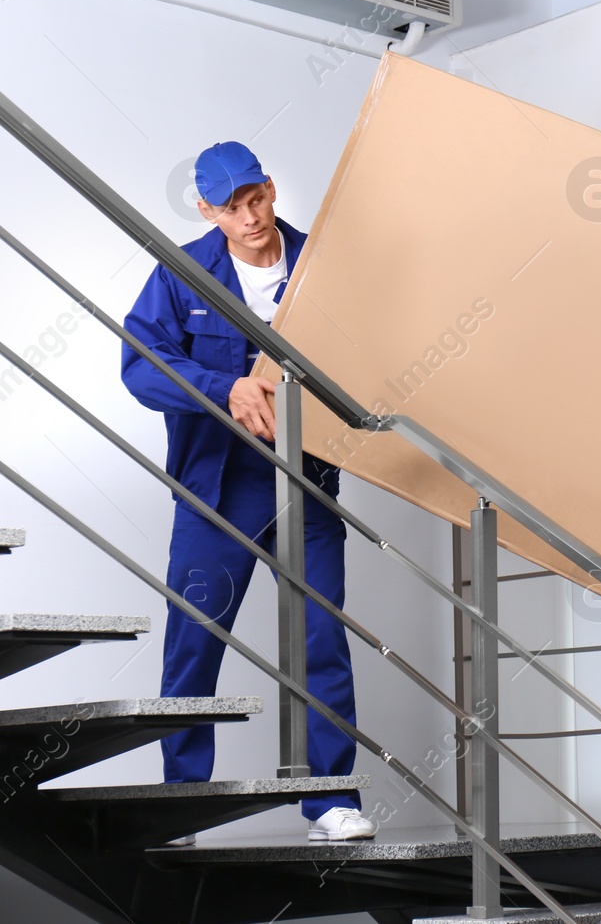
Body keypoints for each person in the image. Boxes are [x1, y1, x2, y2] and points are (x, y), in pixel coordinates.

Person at [121, 141, 375, 842]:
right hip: (216, 486)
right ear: (208, 209)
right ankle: (183, 804)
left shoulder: (318, 265)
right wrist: (222, 388)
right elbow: (140, 367)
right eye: (230, 208)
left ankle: (329, 799)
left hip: (305, 481)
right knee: (195, 642)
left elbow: (366, 350)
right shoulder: (183, 272)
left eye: (256, 198)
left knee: (322, 635)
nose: (250, 217)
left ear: (270, 186)